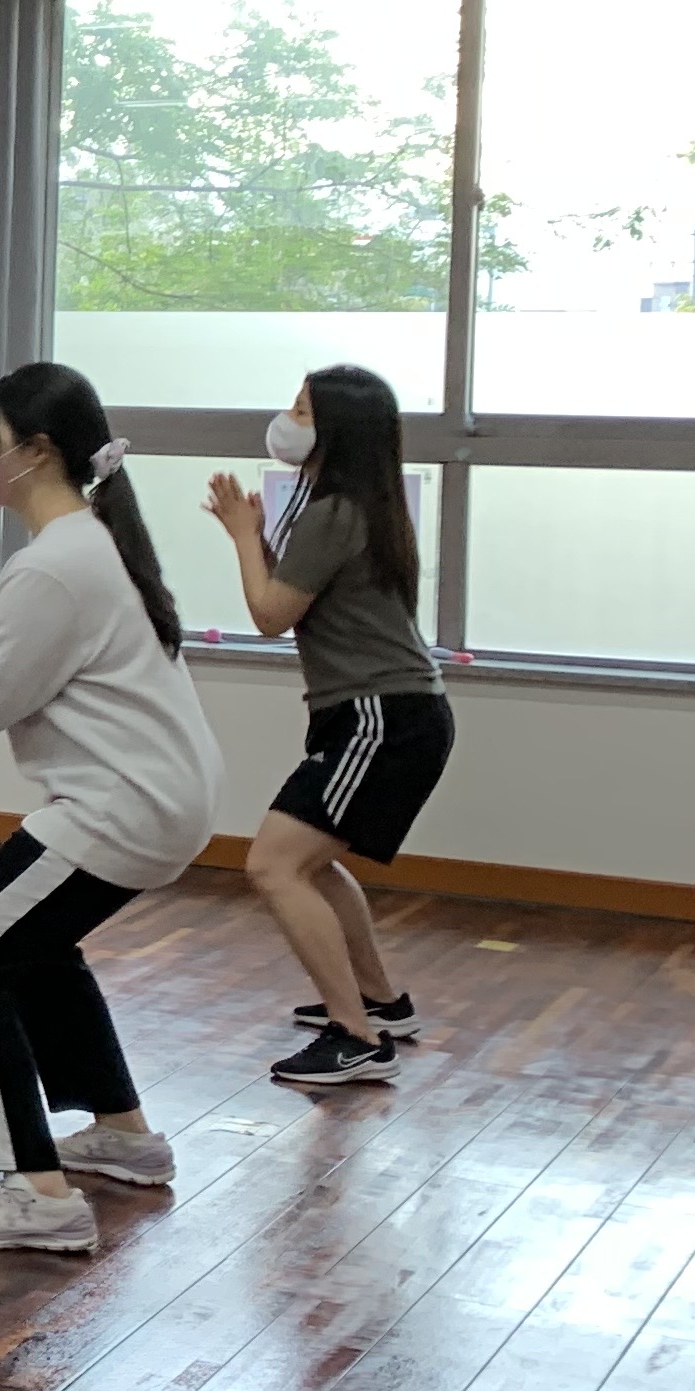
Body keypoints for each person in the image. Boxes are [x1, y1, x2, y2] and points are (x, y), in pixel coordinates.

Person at [0, 364, 221, 1256]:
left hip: (120, 806)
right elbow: (12, 668)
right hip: (158, 799)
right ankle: (125, 1136)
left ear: (33, 452)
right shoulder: (87, 545)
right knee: (29, 951)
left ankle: (34, 1191)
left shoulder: (56, 563)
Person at [202, 364, 452, 1090]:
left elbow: (270, 614)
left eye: (303, 410)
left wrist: (242, 536)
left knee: (274, 865)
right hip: (385, 714)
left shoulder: (335, 511)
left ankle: (356, 1037)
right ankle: (380, 1004)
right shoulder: (351, 508)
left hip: (381, 717)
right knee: (308, 860)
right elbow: (295, 601)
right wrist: (257, 538)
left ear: (337, 430)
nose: (288, 420)